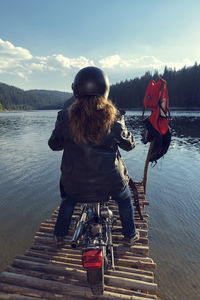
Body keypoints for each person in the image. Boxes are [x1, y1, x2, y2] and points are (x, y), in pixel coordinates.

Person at [48, 66, 139, 247]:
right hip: (111, 184)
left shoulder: (65, 117)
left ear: (76, 90)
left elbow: (54, 145)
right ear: (105, 89)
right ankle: (130, 235)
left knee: (67, 201)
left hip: (75, 183)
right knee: (125, 198)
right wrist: (124, 128)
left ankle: (59, 236)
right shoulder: (114, 116)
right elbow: (129, 145)